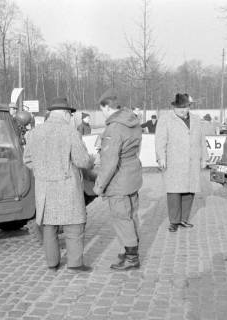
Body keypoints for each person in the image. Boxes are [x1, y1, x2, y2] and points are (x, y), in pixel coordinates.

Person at [23, 97, 94, 273]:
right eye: (70, 114)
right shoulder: (70, 132)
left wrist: (42, 171)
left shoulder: (33, 133)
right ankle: (75, 263)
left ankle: (52, 263)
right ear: (64, 113)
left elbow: (27, 160)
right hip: (67, 186)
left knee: (49, 227)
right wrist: (92, 159)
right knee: (74, 226)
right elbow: (82, 161)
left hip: (44, 188)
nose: (71, 117)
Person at [93, 89, 143, 271]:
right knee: (131, 215)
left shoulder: (114, 128)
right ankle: (126, 251)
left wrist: (99, 186)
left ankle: (131, 257)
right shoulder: (133, 122)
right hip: (132, 175)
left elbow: (109, 162)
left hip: (118, 180)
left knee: (122, 218)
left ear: (107, 107)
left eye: (102, 109)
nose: (103, 113)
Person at [155, 93, 208, 232]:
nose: (183, 111)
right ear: (174, 108)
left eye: (185, 108)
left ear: (189, 106)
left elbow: (202, 140)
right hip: (174, 162)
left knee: (189, 191)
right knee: (174, 192)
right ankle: (174, 221)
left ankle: (184, 219)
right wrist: (161, 157)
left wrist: (204, 158)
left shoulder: (196, 120)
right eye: (180, 108)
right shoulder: (165, 119)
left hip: (192, 161)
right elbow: (160, 140)